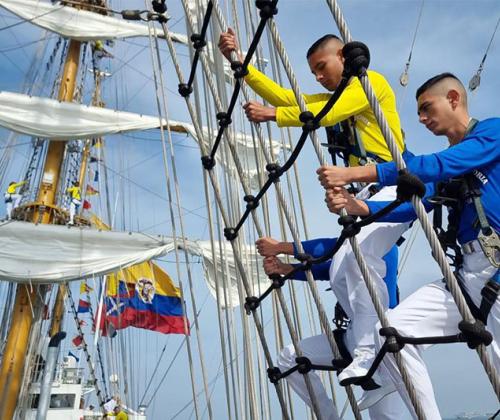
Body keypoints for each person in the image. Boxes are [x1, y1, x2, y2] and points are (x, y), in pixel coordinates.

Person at [219, 30, 410, 417]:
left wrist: (273, 116)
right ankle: (363, 370)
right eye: (314, 72)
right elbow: (294, 99)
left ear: (342, 56)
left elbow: (320, 114)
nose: (319, 78)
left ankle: (377, 359)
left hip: (390, 182)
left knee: (352, 263)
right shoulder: (339, 95)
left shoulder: (368, 84)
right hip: (363, 194)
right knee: (345, 264)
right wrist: (241, 63)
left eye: (322, 68)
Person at [319, 73, 499, 419]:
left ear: (453, 98)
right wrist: (363, 208)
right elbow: (417, 200)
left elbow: (434, 166)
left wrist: (356, 175)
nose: (421, 119)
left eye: (426, 108)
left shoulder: (492, 133)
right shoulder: (449, 166)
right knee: (391, 332)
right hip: (464, 279)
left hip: (497, 276)